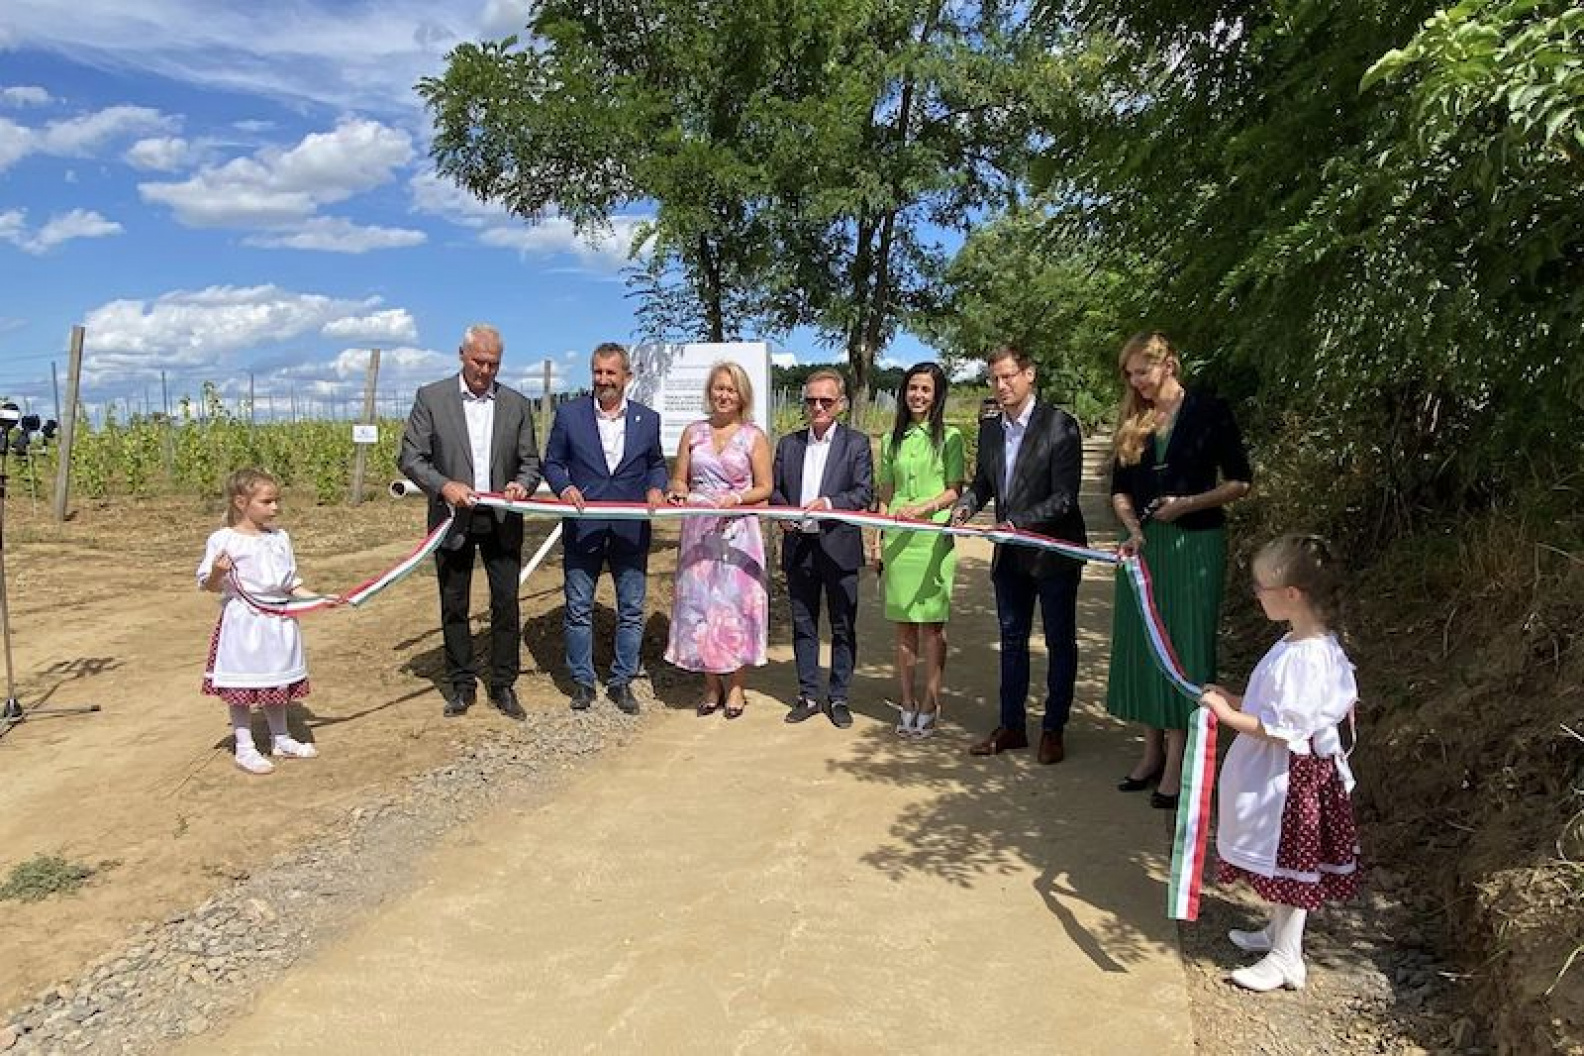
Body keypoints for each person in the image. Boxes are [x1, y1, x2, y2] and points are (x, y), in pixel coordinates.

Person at [1199, 533, 1360, 992]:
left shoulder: (1309, 656)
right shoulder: (1295, 643)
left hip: (1293, 781)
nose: (1255, 595)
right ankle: (1277, 933)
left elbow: (1285, 726)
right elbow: (1272, 705)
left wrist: (1230, 716)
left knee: (1291, 863)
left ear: (1292, 595)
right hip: (1285, 774)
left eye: (1260, 587)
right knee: (1282, 863)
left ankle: (1288, 957)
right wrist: (1233, 698)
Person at [1106, 331, 1252, 809]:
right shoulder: (1135, 419)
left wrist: (1188, 504)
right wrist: (1133, 529)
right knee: (1147, 647)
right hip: (1147, 548)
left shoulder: (1210, 411)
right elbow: (1120, 489)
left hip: (1196, 547)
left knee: (1184, 649)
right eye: (1129, 375)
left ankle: (1177, 759)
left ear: (1168, 363)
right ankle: (1149, 752)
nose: (1136, 382)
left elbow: (1239, 482)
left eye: (1142, 371)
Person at [951, 344, 1086, 764]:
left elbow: (1065, 498)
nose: (1001, 385)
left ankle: (1053, 729)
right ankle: (1012, 726)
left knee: (1060, 641)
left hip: (1053, 554)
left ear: (1030, 375)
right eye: (994, 378)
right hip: (1009, 560)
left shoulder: (1060, 425)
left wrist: (1015, 524)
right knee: (1011, 641)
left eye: (1008, 376)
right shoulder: (991, 428)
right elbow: (985, 484)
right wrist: (966, 506)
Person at [398, 324, 541, 720]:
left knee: (506, 602)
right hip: (451, 519)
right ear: (462, 354)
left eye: (494, 364)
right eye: (479, 362)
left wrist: (521, 485)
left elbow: (531, 463)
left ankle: (503, 683)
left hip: (501, 518)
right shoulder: (431, 398)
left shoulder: (517, 404)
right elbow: (411, 458)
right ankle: (461, 683)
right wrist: (444, 486)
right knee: (454, 602)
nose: (486, 371)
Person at [542, 342, 668, 714]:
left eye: (611, 373)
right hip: (584, 529)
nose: (603, 379)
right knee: (578, 607)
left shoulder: (648, 419)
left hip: (631, 531)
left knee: (631, 609)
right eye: (597, 372)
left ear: (626, 377)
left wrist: (656, 486)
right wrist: (563, 487)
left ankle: (621, 681)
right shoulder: (569, 416)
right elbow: (552, 462)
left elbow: (656, 464)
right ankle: (582, 681)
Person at [198, 468, 338, 775]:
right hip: (245, 624)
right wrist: (219, 573)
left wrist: (319, 598)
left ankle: (281, 738)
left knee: (276, 679)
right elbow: (209, 585)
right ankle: (245, 747)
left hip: (278, 622)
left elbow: (290, 584)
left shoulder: (279, 538)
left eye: (276, 501)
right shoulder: (223, 540)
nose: (275, 508)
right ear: (241, 502)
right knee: (245, 685)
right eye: (267, 501)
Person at [663, 361, 773, 717]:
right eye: (718, 388)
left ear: (742, 395)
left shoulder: (754, 437)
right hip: (699, 528)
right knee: (702, 607)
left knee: (735, 607)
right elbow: (679, 479)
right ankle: (711, 687)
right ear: (710, 392)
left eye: (731, 389)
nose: (724, 395)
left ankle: (737, 688)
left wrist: (738, 499)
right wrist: (678, 490)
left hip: (740, 529)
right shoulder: (693, 433)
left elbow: (765, 487)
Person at [772, 369, 875, 729]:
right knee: (803, 624)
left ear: (841, 404)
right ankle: (809, 694)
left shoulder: (856, 444)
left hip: (839, 547)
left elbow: (864, 493)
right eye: (811, 400)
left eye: (825, 400)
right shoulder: (788, 444)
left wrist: (830, 503)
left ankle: (840, 696)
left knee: (843, 625)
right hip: (799, 546)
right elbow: (775, 491)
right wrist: (783, 514)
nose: (817, 406)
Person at [871, 362, 965, 738]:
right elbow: (885, 494)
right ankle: (907, 700)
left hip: (932, 538)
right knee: (905, 626)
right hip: (898, 539)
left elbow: (955, 488)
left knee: (932, 627)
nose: (918, 395)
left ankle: (931, 700)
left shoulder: (951, 437)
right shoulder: (890, 439)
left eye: (926, 389)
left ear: (937, 394)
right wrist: (877, 539)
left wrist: (925, 510)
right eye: (913, 388)